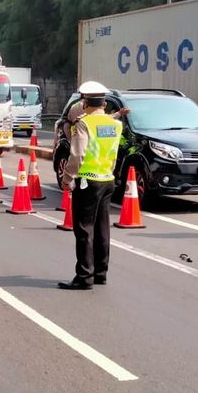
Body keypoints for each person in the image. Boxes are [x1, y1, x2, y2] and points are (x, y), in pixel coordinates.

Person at [58, 81, 122, 290]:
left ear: (85, 102)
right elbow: (111, 152)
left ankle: (84, 276)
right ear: (104, 103)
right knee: (102, 228)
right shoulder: (115, 124)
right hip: (107, 179)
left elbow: (77, 154)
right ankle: (100, 273)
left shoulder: (84, 124)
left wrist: (67, 178)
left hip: (87, 181)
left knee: (84, 230)